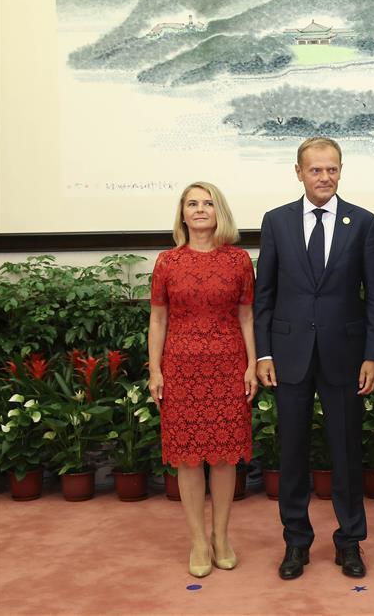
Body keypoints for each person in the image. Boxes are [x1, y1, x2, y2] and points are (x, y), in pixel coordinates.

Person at [254, 137, 374, 581]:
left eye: (332, 169)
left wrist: (372, 355)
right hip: (288, 355)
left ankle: (350, 541)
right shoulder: (276, 221)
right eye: (315, 170)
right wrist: (264, 352)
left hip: (345, 357)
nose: (324, 177)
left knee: (346, 452)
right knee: (291, 452)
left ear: (341, 171)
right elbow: (264, 295)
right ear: (299, 173)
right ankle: (296, 542)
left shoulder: (363, 222)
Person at [148, 181, 258, 578]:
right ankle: (198, 540)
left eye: (208, 203)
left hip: (228, 367)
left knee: (226, 458)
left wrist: (251, 364)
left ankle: (221, 537)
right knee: (188, 459)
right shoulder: (167, 262)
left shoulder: (239, 260)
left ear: (219, 212)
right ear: (182, 213)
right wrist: (155, 369)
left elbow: (247, 315)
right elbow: (158, 318)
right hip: (180, 369)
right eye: (192, 203)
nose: (199, 209)